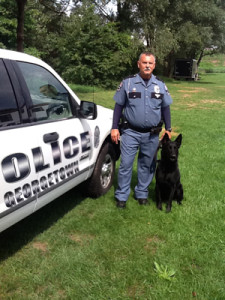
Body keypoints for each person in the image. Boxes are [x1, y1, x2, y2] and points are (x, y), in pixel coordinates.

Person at [111, 52, 173, 208]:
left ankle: (142, 193)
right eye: (144, 63)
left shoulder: (160, 84)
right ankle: (122, 196)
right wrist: (114, 128)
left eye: (150, 63)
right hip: (130, 132)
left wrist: (169, 128)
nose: (147, 66)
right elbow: (118, 106)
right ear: (138, 64)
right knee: (125, 164)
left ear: (154, 65)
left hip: (152, 134)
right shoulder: (128, 83)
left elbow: (165, 107)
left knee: (147, 164)